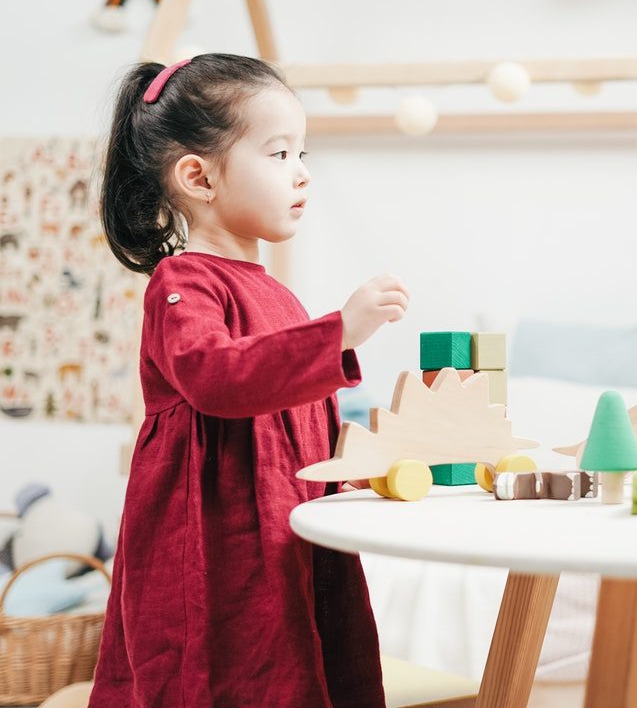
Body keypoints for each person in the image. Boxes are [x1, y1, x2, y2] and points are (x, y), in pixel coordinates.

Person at [91, 54, 409, 707]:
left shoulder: (279, 297)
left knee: (305, 664)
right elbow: (219, 379)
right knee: (228, 673)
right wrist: (339, 332)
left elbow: (306, 422)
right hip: (216, 544)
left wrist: (353, 479)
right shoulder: (183, 284)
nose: (302, 172)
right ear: (199, 177)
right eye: (279, 153)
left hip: (288, 533)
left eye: (302, 153)